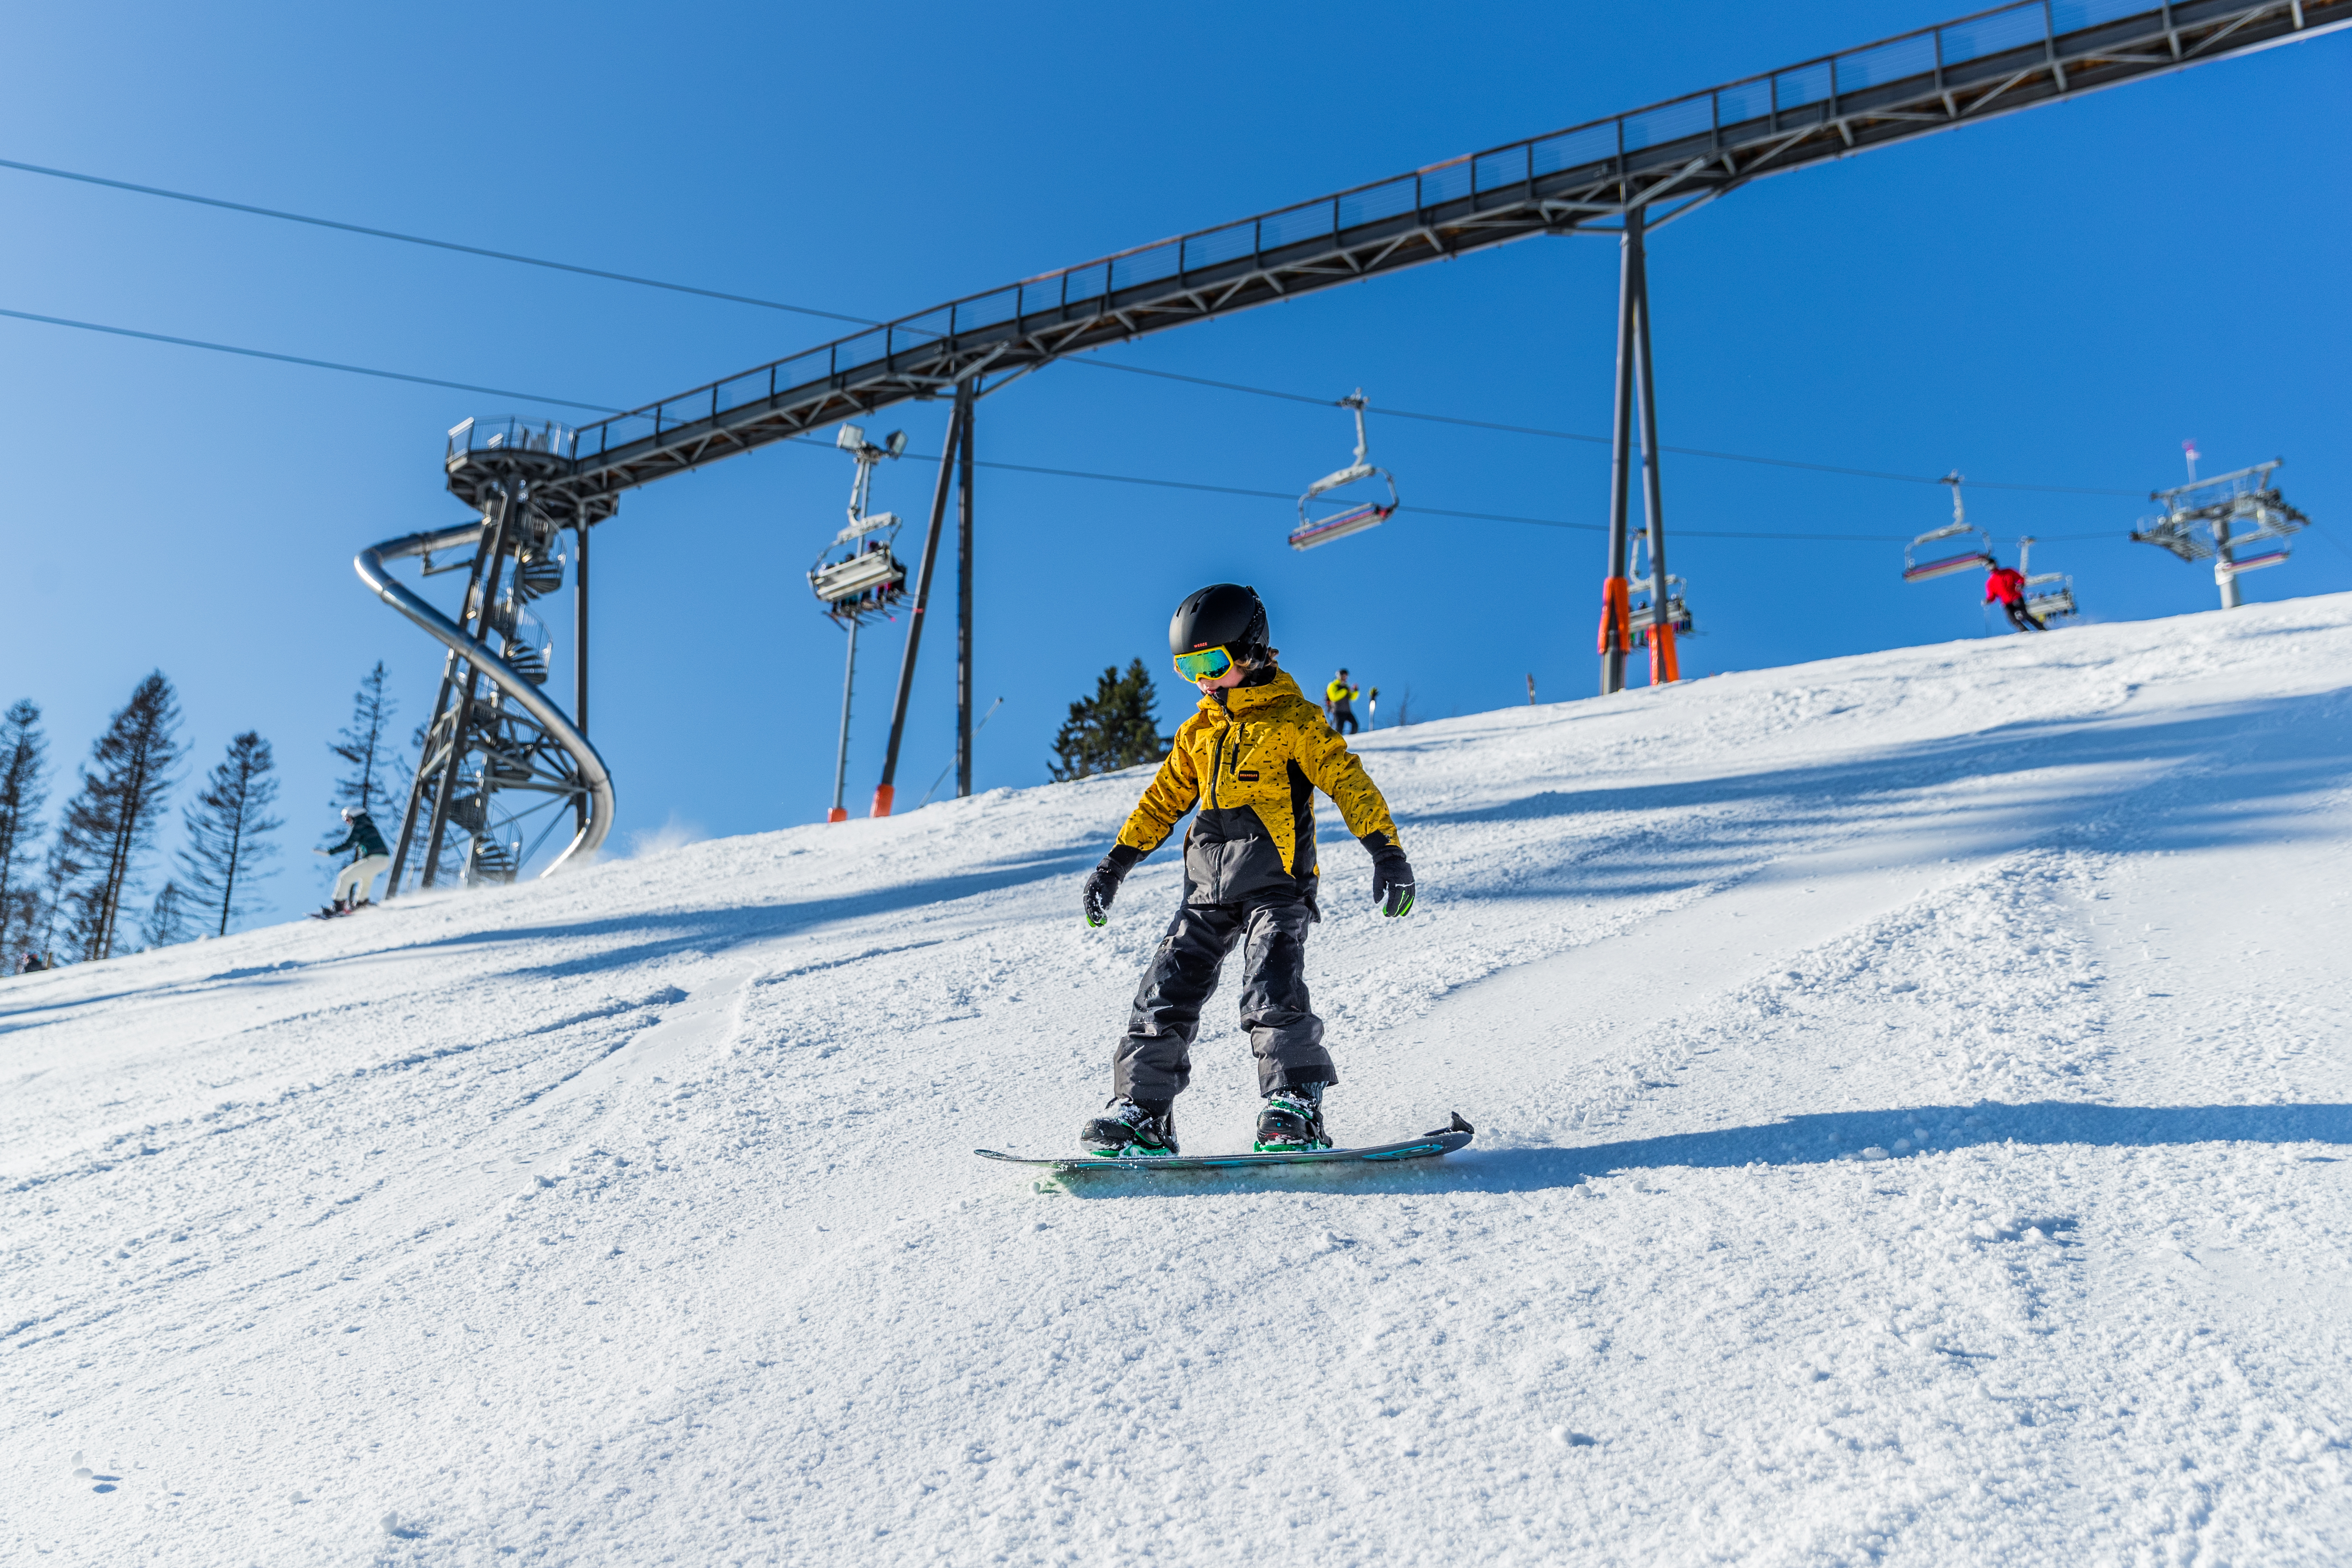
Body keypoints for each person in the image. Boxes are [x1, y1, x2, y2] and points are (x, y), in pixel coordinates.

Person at [1076, 584, 1417, 1157]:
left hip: (1276, 885)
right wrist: (1116, 864)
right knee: (1162, 995)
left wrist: (1386, 850)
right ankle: (1144, 1112)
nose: (1203, 680)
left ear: (1251, 651)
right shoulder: (1197, 733)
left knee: (1271, 988)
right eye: (1188, 669)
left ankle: (1295, 1102)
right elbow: (1160, 802)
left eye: (1211, 662)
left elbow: (1348, 781)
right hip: (1205, 891)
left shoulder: (1295, 722)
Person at [315, 805, 391, 915]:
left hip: (375, 859)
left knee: (344, 877)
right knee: (366, 878)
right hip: (383, 860)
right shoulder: (367, 825)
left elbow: (348, 844)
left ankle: (339, 907)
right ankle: (362, 903)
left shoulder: (359, 825)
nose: (347, 822)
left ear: (355, 817)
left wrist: (329, 852)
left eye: (347, 819)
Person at [1984, 558, 2043, 633]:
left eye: (1992, 565)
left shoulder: (2008, 572)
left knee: (2024, 615)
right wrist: (1988, 600)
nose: (1991, 567)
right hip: (2006, 603)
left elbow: (2020, 578)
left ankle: (2041, 628)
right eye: (1989, 567)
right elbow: (1992, 596)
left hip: (2016, 597)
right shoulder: (1990, 582)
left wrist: (2020, 584)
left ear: (1996, 564)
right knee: (2012, 619)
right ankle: (2025, 632)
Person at [1325, 669, 1363, 735]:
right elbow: (1334, 697)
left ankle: (1352, 739)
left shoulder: (1346, 686)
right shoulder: (1333, 685)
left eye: (1346, 676)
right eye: (1343, 676)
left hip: (1347, 711)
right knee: (1339, 728)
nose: (1345, 678)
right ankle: (1337, 742)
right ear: (1339, 676)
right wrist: (1345, 691)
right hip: (1338, 711)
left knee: (1355, 725)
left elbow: (1353, 698)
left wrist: (1356, 691)